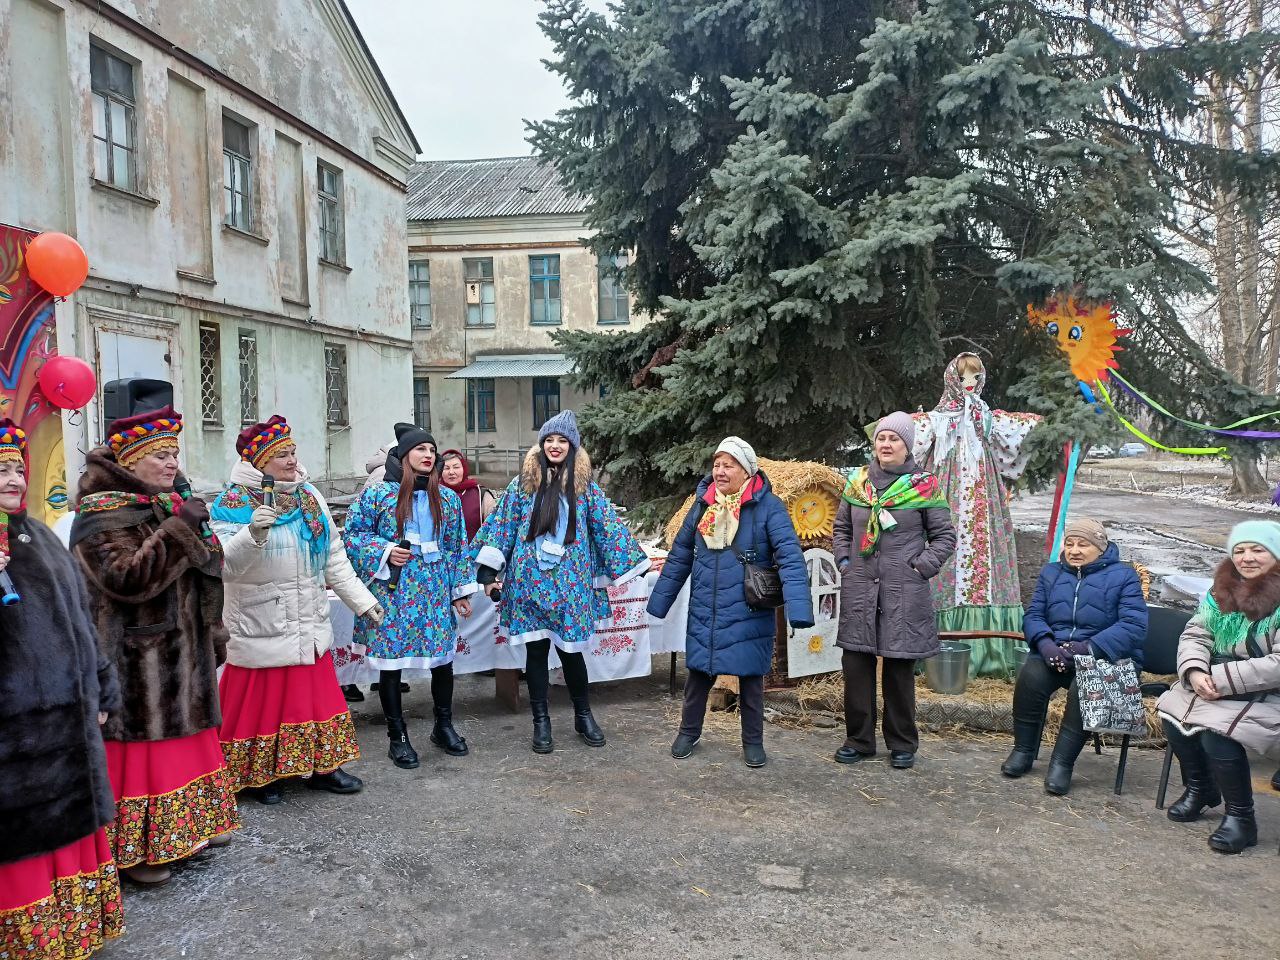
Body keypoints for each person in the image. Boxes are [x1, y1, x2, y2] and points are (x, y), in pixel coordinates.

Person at [70, 407, 238, 886]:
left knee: (187, 745)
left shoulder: (166, 501)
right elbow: (126, 579)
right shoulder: (100, 513)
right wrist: (179, 530)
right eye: (160, 455)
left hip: (184, 648)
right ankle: (137, 850)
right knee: (148, 757)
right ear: (129, 460)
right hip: (136, 660)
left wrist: (193, 532)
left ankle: (190, 829)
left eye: (174, 454)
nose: (171, 463)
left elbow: (206, 567)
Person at [0, 420, 124, 959]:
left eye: (18, 468)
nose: (14, 479)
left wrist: (101, 689)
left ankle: (72, 930)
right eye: (1, 470)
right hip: (16, 740)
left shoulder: (42, 535)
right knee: (23, 843)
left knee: (69, 829)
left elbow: (81, 621)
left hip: (70, 727)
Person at [212, 416, 384, 804]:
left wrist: (363, 601)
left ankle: (325, 768)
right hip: (262, 622)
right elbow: (223, 566)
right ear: (259, 462)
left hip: (308, 620)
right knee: (262, 706)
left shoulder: (309, 497)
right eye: (282, 455)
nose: (292, 460)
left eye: (293, 452)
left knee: (318, 700)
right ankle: (258, 776)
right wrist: (251, 534)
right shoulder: (232, 503)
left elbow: (333, 556)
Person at [473, 410, 648, 754]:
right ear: (541, 444)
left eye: (562, 440)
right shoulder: (522, 486)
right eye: (549, 439)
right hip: (528, 584)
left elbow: (607, 528)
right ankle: (541, 722)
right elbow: (502, 526)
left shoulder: (586, 489)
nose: (554, 445)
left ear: (572, 446)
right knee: (536, 654)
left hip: (571, 588)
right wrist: (489, 572)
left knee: (572, 655)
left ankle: (583, 716)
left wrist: (631, 564)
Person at [647, 437, 813, 767]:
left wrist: (799, 609)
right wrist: (659, 603)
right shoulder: (703, 504)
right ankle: (688, 732)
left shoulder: (768, 507)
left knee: (750, 677)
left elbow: (790, 558)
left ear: (747, 471)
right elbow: (680, 554)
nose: (720, 471)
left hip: (747, 606)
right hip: (706, 607)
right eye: (717, 465)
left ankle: (753, 741)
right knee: (699, 674)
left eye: (729, 465)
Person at [343, 424, 477, 769]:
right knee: (392, 665)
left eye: (432, 450)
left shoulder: (446, 498)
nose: (428, 455)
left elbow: (456, 547)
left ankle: (443, 726)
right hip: (394, 591)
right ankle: (397, 736)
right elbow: (353, 536)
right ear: (403, 456)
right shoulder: (378, 495)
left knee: (443, 661)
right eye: (421, 449)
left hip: (434, 591)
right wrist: (386, 550)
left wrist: (459, 591)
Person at [833, 412, 956, 770]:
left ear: (907, 446)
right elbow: (841, 528)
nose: (886, 445)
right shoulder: (857, 482)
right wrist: (845, 562)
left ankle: (902, 743)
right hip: (860, 587)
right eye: (881, 438)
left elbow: (944, 536)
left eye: (894, 439)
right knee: (856, 665)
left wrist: (920, 568)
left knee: (899, 669)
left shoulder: (924, 486)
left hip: (904, 589)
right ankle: (859, 740)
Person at [910, 353, 1041, 676]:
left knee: (986, 554)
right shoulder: (938, 419)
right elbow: (904, 436)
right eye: (963, 378)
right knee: (944, 554)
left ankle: (992, 647)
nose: (969, 384)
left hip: (985, 497)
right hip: (947, 494)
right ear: (952, 380)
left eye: (975, 377)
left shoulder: (986, 417)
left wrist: (1052, 427)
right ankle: (936, 646)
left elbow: (1022, 431)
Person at [1158, 520, 1280, 854]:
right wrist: (1195, 671)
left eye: (1257, 549)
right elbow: (1196, 633)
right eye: (1239, 550)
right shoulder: (1220, 592)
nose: (1247, 558)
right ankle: (1202, 788)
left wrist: (1221, 679)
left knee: (1216, 732)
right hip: (1218, 682)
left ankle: (1241, 818)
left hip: (1269, 693)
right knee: (1173, 715)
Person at [1001, 518, 1147, 794]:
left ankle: (1062, 763)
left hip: (1106, 656)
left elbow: (1133, 626)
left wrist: (1085, 649)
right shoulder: (1051, 573)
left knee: (1083, 688)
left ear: (1101, 548)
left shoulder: (1124, 576)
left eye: (1083, 544)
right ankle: (1023, 750)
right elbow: (1034, 615)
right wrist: (1045, 645)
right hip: (1058, 652)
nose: (1075, 550)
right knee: (1031, 676)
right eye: (1069, 544)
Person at [441, 448, 497, 540]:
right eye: (446, 468)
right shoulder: (433, 495)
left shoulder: (481, 494)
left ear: (464, 469)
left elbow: (494, 528)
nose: (451, 472)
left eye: (456, 467)